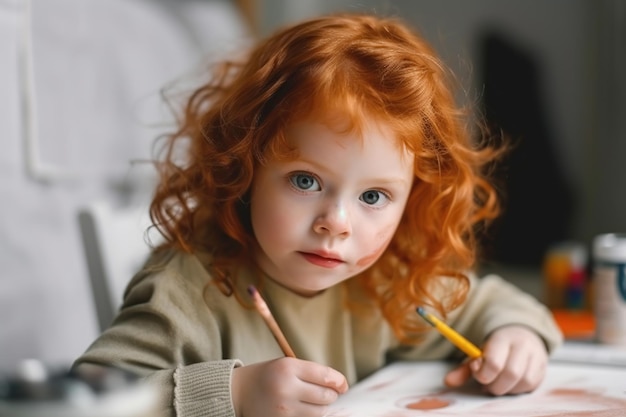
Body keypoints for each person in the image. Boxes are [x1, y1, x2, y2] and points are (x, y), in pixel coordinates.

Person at [73, 11, 563, 417]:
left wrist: (516, 339)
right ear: (244, 169)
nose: (337, 222)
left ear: (413, 197)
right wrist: (236, 395)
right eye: (306, 181)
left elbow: (490, 305)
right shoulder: (188, 288)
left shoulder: (389, 278)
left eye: (373, 197)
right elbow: (85, 401)